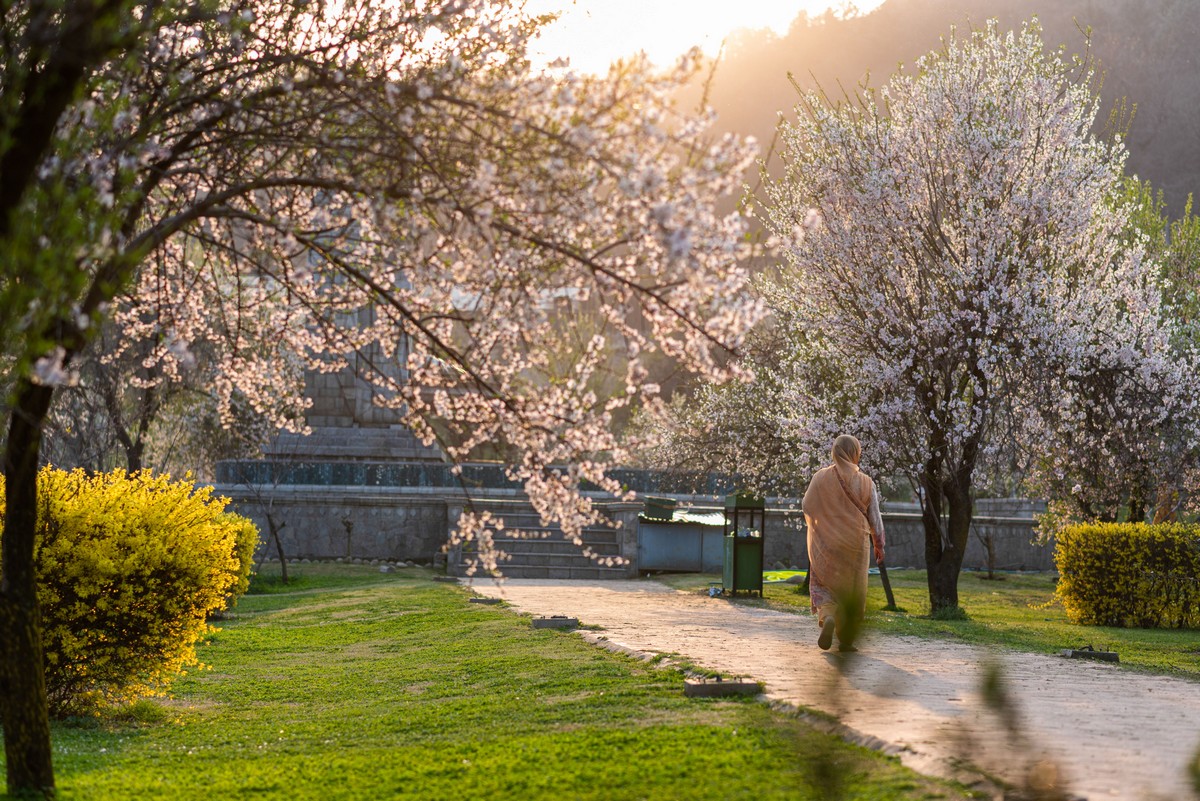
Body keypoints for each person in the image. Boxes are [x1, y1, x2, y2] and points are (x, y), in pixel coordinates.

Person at [802, 434, 885, 652]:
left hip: (827, 544)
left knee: (824, 584)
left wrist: (823, 523)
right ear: (855, 452)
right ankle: (846, 640)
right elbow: (875, 517)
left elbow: (807, 506)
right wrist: (879, 543)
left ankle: (828, 616)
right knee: (853, 590)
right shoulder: (867, 482)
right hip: (856, 545)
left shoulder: (820, 478)